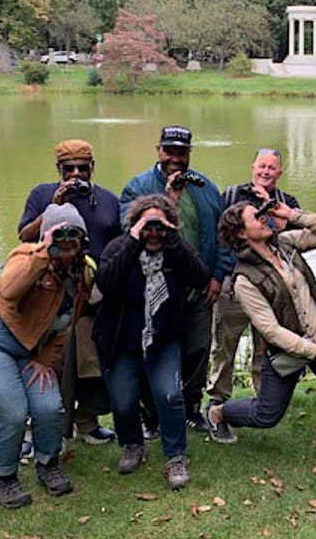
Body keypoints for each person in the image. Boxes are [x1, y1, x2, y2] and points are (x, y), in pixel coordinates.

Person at [0, 204, 89, 508]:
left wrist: (45, 359)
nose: (67, 242)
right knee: (11, 413)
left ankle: (48, 464)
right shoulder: (25, 256)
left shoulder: (82, 273)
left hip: (27, 350)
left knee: (50, 406)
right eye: (60, 234)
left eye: (73, 235)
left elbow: (68, 323)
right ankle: (4, 477)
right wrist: (44, 251)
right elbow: (9, 291)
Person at [208, 201, 316, 477]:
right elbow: (272, 331)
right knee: (267, 415)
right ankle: (219, 413)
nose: (264, 218)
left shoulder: (286, 243)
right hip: (286, 350)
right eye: (256, 217)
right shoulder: (244, 280)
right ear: (241, 233)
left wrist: (291, 215)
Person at [120, 126, 233, 434]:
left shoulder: (206, 188)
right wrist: (168, 198)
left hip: (199, 287)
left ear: (189, 154)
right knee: (153, 349)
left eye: (181, 152)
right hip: (154, 288)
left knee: (197, 348)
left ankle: (192, 406)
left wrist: (218, 276)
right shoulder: (138, 187)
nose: (175, 158)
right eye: (169, 151)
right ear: (158, 150)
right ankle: (151, 413)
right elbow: (127, 233)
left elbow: (224, 237)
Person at [93, 195, 211, 488]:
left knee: (170, 395)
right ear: (134, 226)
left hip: (163, 339)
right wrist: (134, 241)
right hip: (121, 341)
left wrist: (175, 239)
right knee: (123, 402)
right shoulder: (119, 248)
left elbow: (200, 277)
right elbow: (106, 283)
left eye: (160, 226)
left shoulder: (174, 252)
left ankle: (176, 456)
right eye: (148, 226)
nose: (154, 233)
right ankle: (132, 444)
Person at [17, 139, 120, 446]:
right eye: (69, 168)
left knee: (92, 366)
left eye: (82, 168)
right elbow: (23, 236)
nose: (76, 174)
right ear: (58, 169)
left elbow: (118, 244)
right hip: (51, 298)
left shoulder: (108, 200)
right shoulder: (41, 194)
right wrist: (54, 204)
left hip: (93, 297)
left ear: (93, 168)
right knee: (49, 366)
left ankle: (87, 423)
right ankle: (36, 430)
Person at [207, 148, 299, 440]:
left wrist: (271, 210)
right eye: (262, 166)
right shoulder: (232, 196)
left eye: (272, 168)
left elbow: (292, 243)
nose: (266, 172)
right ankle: (217, 400)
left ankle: (262, 401)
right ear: (252, 166)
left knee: (265, 347)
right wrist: (221, 277)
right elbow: (219, 239)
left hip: (269, 292)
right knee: (224, 345)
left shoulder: (286, 203)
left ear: (280, 172)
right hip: (234, 286)